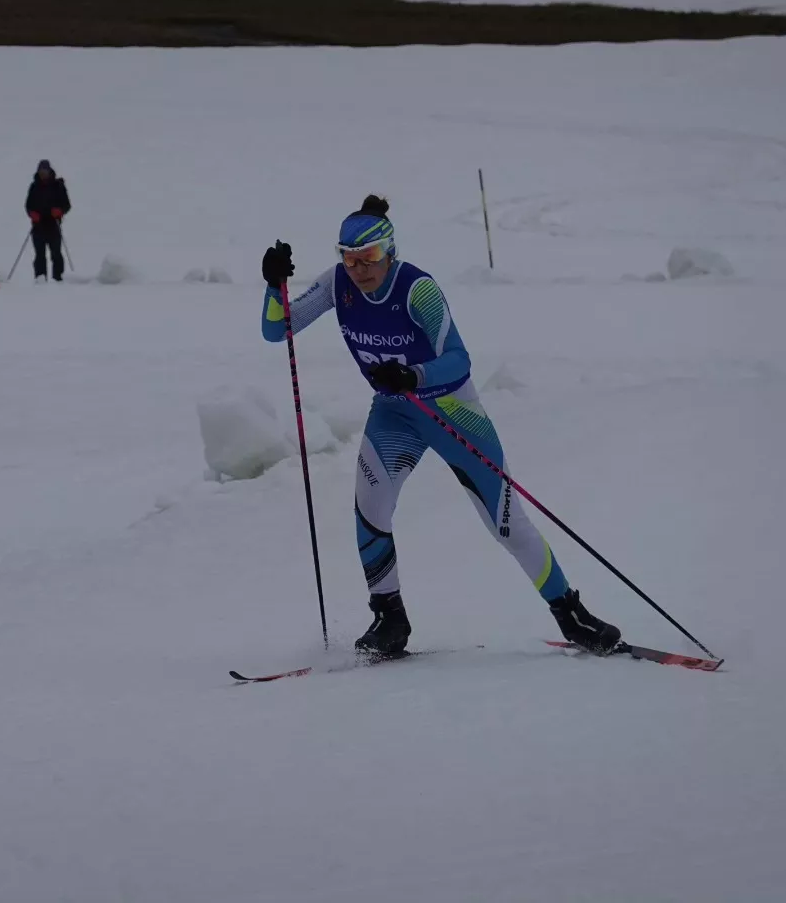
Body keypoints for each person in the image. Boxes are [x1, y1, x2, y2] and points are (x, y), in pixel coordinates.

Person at [259, 195, 622, 660]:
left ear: (390, 252)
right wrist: (275, 286)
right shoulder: (337, 286)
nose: (359, 269)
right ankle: (390, 619)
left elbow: (459, 359)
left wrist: (415, 375)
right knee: (370, 507)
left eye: (369, 258)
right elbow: (278, 330)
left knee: (507, 523)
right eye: (349, 259)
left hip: (452, 413)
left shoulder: (417, 290)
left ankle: (571, 614)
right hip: (394, 414)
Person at [25, 159, 71, 283]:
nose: (42, 173)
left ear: (49, 171)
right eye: (40, 171)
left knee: (56, 254)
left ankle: (58, 278)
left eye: (45, 171)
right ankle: (40, 279)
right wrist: (32, 213)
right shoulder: (34, 186)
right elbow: (28, 205)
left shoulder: (58, 186)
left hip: (53, 225)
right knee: (39, 255)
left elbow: (67, 205)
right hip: (38, 226)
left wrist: (59, 211)